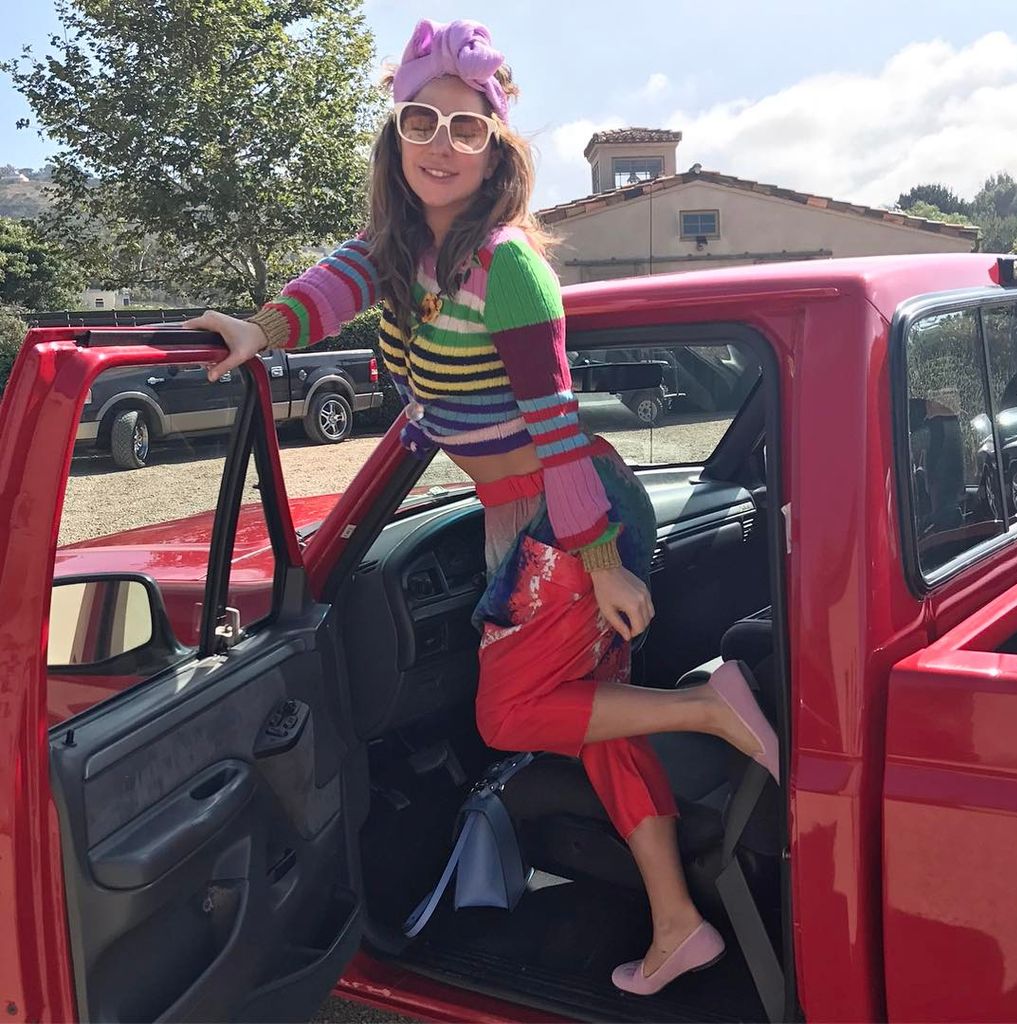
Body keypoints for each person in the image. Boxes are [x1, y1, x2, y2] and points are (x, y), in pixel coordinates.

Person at [183, 18, 778, 996]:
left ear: (498, 148)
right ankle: (678, 924)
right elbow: (320, 296)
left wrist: (598, 563)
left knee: (507, 714)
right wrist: (254, 330)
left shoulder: (507, 269)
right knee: (598, 723)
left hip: (567, 513)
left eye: (467, 127)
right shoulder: (390, 255)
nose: (441, 144)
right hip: (534, 518)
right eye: (421, 120)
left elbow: (553, 429)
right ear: (395, 136)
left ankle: (710, 707)